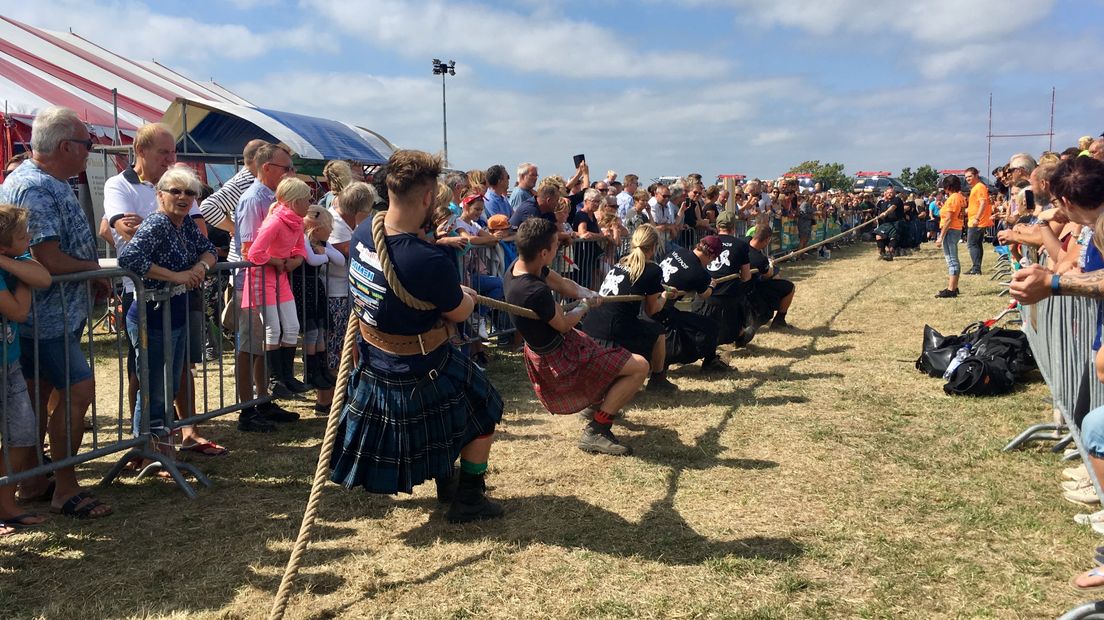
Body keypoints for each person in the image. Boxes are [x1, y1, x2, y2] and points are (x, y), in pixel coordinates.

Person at [329, 150, 504, 524]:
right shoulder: (426, 259)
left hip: (377, 363)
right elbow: (459, 312)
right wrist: (465, 297)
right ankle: (469, 499)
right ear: (427, 198)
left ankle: (446, 482)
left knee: (453, 420)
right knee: (484, 411)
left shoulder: (364, 231)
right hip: (420, 365)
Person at [0, 106, 112, 519]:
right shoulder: (33, 188)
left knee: (40, 395)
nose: (89, 152)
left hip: (50, 317)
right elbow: (46, 258)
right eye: (86, 145)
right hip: (43, 321)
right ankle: (65, 488)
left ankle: (33, 482)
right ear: (66, 145)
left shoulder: (49, 182)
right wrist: (95, 269)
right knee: (77, 391)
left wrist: (89, 275)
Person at [102, 124, 218, 455]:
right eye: (175, 191)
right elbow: (132, 259)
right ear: (160, 194)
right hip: (151, 311)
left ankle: (162, 447)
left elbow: (207, 247)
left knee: (170, 382)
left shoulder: (182, 224)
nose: (183, 198)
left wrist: (198, 268)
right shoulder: (156, 223)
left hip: (176, 310)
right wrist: (175, 276)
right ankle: (149, 450)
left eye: (189, 193)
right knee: (152, 384)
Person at [505, 217, 648, 455]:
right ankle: (597, 431)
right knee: (639, 366)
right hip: (558, 356)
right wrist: (584, 306)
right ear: (543, 252)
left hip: (564, 343)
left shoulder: (520, 266)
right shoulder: (532, 291)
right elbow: (562, 324)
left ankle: (596, 407)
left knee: (614, 361)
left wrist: (587, 292)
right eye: (555, 245)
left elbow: (560, 283)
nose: (558, 248)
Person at [230, 143, 298, 431]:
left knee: (259, 345)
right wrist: (279, 261)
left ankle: (263, 400)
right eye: (286, 168)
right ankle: (247, 410)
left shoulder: (272, 198)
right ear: (268, 168)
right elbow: (249, 249)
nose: (290, 173)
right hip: (250, 283)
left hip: (268, 280)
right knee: (248, 347)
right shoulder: (252, 200)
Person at [0, 204, 51, 532]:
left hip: (9, 363)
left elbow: (43, 277)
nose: (30, 237)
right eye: (23, 235)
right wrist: (18, 271)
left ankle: (5, 504)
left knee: (21, 434)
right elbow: (18, 311)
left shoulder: (12, 260)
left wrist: (8, 263)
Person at [245, 177, 312, 397]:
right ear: (294, 202)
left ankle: (287, 375)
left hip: (280, 276)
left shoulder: (297, 222)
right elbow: (254, 253)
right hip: (262, 277)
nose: (309, 204)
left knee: (292, 325)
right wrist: (277, 261)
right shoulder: (275, 221)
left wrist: (296, 260)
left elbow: (301, 247)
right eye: (306, 200)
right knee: (273, 328)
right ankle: (276, 379)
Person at [581, 225, 667, 385]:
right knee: (658, 331)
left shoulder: (621, 262)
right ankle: (658, 379)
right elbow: (652, 310)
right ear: (654, 246)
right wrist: (665, 296)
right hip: (613, 330)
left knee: (637, 324)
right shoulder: (652, 270)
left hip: (591, 325)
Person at [318, 182, 376, 416]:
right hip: (335, 292)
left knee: (343, 345)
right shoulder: (333, 222)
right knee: (335, 347)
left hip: (345, 290)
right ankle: (328, 399)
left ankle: (338, 396)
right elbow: (352, 250)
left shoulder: (343, 221)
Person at [291, 206, 341, 391]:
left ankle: (321, 368)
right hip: (302, 287)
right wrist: (325, 256)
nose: (331, 231)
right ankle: (311, 371)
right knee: (311, 330)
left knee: (320, 329)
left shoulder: (323, 244)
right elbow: (312, 260)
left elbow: (340, 260)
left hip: (314, 287)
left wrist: (326, 252)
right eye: (329, 227)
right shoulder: (304, 240)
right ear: (317, 228)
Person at [692, 212, 753, 345]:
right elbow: (746, 276)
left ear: (717, 226)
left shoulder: (705, 242)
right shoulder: (741, 245)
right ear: (734, 227)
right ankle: (740, 332)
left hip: (703, 297)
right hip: (726, 298)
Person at [199, 139, 269, 234]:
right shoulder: (241, 183)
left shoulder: (252, 181)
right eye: (268, 156)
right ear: (257, 158)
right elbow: (207, 207)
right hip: (245, 247)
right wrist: (236, 229)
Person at [746, 227, 795, 328]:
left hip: (741, 285)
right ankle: (779, 321)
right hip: (752, 288)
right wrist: (770, 264)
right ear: (767, 240)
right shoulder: (759, 259)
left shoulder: (743, 242)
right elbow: (768, 274)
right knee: (790, 287)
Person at [936, 176, 967, 298]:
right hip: (957, 228)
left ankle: (951, 289)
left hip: (951, 230)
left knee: (951, 259)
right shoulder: (960, 197)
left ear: (948, 187)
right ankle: (953, 286)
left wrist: (940, 237)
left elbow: (949, 219)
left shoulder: (953, 198)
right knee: (953, 258)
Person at [964, 166, 993, 274]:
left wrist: (977, 218)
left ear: (976, 175)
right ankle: (976, 267)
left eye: (970, 176)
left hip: (976, 221)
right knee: (977, 244)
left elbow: (983, 203)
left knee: (971, 244)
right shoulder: (976, 187)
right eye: (966, 177)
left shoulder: (979, 187)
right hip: (976, 219)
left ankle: (976, 269)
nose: (967, 179)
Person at [873, 187, 904, 260]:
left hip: (896, 222)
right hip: (886, 224)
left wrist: (886, 213)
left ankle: (890, 254)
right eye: (888, 193)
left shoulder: (897, 200)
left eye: (891, 192)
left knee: (893, 238)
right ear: (885, 194)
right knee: (878, 236)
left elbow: (893, 207)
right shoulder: (883, 203)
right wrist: (878, 218)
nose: (889, 194)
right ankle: (882, 254)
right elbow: (881, 214)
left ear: (894, 193)